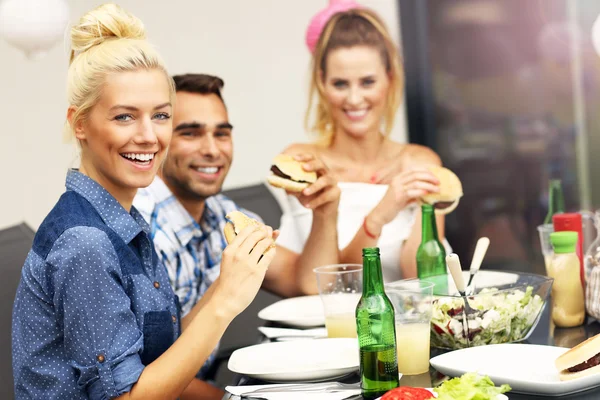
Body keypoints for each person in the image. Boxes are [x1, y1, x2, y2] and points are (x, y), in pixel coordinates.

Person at [12, 4, 274, 400]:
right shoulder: (85, 243)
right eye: (124, 117)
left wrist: (231, 279)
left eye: (161, 115)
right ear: (79, 123)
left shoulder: (123, 220)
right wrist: (225, 300)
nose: (149, 136)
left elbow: (162, 361)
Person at [133, 74, 340, 393]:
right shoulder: (138, 230)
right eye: (191, 133)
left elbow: (309, 285)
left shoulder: (222, 213)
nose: (212, 149)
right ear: (158, 139)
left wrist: (325, 213)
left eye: (222, 133)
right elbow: (140, 377)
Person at [275, 5, 450, 282]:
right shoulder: (303, 164)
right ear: (322, 83)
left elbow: (423, 281)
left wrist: (421, 205)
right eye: (340, 84)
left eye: (367, 82)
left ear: (390, 79)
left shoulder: (420, 162)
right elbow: (330, 283)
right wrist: (382, 212)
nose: (354, 99)